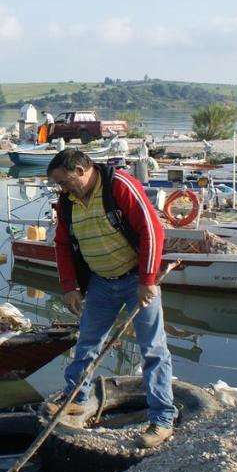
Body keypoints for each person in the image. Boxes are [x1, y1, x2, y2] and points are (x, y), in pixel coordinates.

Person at [44, 149, 176, 448]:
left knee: (153, 349)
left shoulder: (119, 187)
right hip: (102, 282)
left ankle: (162, 420)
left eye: (65, 181)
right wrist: (69, 286)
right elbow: (62, 244)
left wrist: (147, 280)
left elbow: (151, 231)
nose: (62, 189)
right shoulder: (68, 203)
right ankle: (77, 397)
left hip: (135, 280)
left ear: (81, 170)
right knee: (88, 343)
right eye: (59, 185)